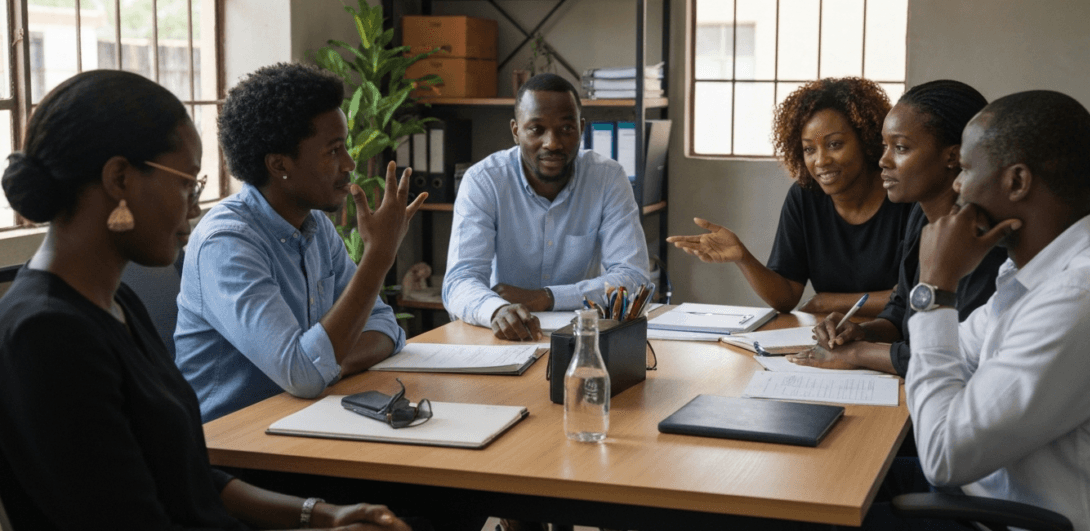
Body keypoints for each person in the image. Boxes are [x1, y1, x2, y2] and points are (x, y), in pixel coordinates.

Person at [0, 70, 410, 530]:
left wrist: (320, 516)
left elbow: (187, 477)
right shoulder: (47, 333)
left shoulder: (118, 306)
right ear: (119, 178)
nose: (195, 208)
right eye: (186, 184)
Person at [896, 91, 1090, 530]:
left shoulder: (1081, 299)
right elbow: (960, 353)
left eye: (968, 169)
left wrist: (936, 288)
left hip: (1013, 519)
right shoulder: (1041, 273)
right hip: (986, 495)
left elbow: (942, 455)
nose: (956, 185)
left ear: (1017, 182)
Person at [176, 63, 424, 423]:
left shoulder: (315, 226)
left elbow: (386, 328)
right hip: (234, 445)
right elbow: (305, 375)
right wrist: (378, 255)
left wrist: (327, 366)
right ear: (279, 165)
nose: (350, 164)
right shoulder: (226, 243)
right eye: (333, 151)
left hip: (306, 421)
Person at [790, 80, 1006, 376]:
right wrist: (861, 332)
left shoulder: (981, 237)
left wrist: (857, 352)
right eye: (885, 146)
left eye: (901, 148)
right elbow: (900, 309)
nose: (883, 161)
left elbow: (949, 354)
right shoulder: (920, 213)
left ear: (952, 156)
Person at [668, 77, 911, 315]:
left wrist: (828, 303)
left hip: (899, 340)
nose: (821, 161)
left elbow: (914, 295)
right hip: (833, 337)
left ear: (866, 140)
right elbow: (786, 297)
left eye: (835, 144)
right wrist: (743, 257)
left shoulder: (905, 196)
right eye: (809, 149)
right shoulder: (805, 197)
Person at [442, 72, 649, 341]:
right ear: (516, 131)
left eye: (566, 129)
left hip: (581, 337)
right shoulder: (484, 181)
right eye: (536, 129)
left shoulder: (607, 178)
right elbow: (459, 280)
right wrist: (497, 310)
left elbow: (633, 277)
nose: (552, 143)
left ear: (581, 128)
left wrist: (547, 297)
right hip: (501, 337)